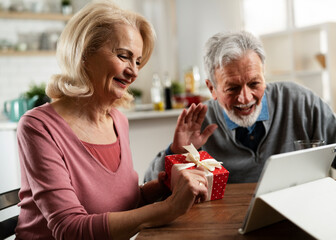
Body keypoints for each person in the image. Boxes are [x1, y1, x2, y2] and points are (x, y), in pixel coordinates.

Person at [15, 1, 208, 239]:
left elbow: (119, 205)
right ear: (84, 54)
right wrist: (167, 208)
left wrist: (158, 190)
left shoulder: (117, 120)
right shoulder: (38, 126)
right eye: (123, 56)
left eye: (137, 61)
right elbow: (69, 229)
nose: (134, 71)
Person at [144, 30, 336, 184]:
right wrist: (177, 153)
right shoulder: (199, 122)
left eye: (254, 83)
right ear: (212, 88)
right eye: (232, 88)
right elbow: (150, 184)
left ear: (264, 76)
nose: (245, 97)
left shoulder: (300, 101)